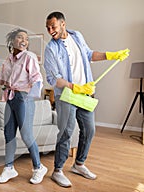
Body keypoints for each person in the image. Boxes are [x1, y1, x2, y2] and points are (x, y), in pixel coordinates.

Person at [44, 11, 129, 188]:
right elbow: (53, 79)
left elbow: (89, 55)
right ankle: (57, 170)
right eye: (48, 28)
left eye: (53, 26)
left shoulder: (77, 36)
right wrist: (75, 87)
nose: (50, 30)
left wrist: (110, 55)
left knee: (89, 130)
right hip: (67, 96)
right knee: (66, 132)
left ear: (63, 24)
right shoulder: (51, 48)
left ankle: (79, 164)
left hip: (85, 95)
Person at [0, 28, 47, 184]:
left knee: (26, 135)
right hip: (11, 98)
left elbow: (37, 78)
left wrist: (29, 97)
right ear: (12, 41)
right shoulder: (9, 59)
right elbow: (1, 79)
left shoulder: (29, 57)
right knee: (9, 134)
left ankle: (39, 168)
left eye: (26, 38)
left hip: (24, 98)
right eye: (20, 37)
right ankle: (9, 168)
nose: (24, 40)